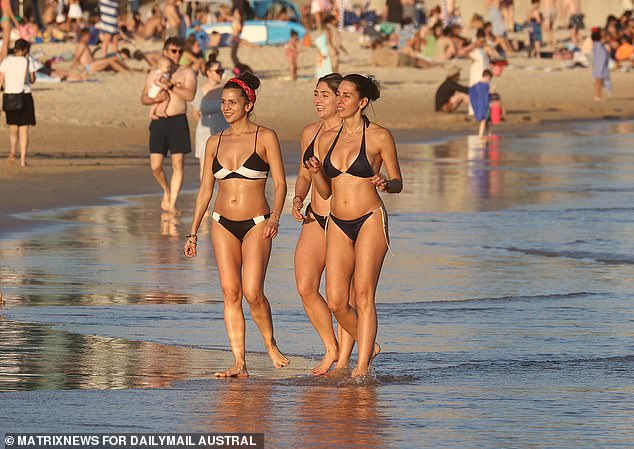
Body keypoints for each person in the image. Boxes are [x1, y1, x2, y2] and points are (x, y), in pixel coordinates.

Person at [183, 72, 289, 378]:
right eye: (223, 102)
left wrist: (275, 217)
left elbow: (281, 184)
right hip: (221, 223)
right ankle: (239, 363)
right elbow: (205, 188)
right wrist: (192, 233)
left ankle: (270, 345)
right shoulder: (215, 142)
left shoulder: (265, 137)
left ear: (248, 104)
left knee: (253, 292)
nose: (226, 108)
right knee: (231, 293)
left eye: (233, 102)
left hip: (258, 222)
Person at [306, 74, 403, 378]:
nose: (340, 100)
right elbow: (324, 192)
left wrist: (387, 184)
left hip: (370, 219)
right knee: (336, 300)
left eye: (347, 96)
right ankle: (368, 344)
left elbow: (398, 181)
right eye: (339, 95)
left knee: (363, 295)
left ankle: (361, 370)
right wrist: (316, 173)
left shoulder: (379, 136)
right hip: (337, 221)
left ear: (362, 102)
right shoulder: (324, 138)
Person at [293, 73, 356, 376]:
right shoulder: (310, 132)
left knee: (341, 298)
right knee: (306, 287)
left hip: (343, 221)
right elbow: (304, 173)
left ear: (340, 100)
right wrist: (298, 197)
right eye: (315, 94)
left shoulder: (352, 134)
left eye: (324, 95)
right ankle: (331, 347)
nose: (317, 100)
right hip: (314, 218)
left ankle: (345, 357)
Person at [140, 37, 196, 214]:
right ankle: (166, 189)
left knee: (178, 164)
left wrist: (171, 86)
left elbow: (190, 95)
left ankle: (172, 203)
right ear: (165, 52)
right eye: (173, 51)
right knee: (155, 166)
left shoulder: (186, 73)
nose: (177, 55)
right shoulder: (154, 74)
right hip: (158, 121)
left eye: (180, 51)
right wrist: (155, 99)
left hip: (178, 120)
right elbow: (143, 98)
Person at [0, 39, 36, 167]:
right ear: (25, 50)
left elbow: (0, 81)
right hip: (25, 96)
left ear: (15, 49)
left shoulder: (6, 61)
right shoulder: (28, 61)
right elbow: (32, 80)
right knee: (24, 130)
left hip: (10, 96)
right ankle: (22, 160)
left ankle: (13, 151)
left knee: (13, 128)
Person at [191, 53, 227, 180]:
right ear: (208, 72)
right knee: (205, 168)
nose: (220, 73)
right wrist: (206, 126)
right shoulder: (200, 90)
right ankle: (205, 197)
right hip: (204, 133)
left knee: (224, 167)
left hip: (224, 131)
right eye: (218, 71)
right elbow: (196, 112)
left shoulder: (226, 89)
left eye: (222, 70)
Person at [469, 69, 492, 137]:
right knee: (484, 120)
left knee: (487, 121)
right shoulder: (484, 86)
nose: (489, 80)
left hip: (480, 105)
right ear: (487, 77)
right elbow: (485, 96)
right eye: (489, 79)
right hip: (482, 105)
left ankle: (489, 134)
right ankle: (481, 135)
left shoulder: (477, 86)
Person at [591, 28, 610, 101]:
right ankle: (597, 96)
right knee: (599, 81)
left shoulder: (597, 44)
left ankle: (597, 95)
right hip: (599, 66)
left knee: (598, 81)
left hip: (597, 65)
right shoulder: (598, 45)